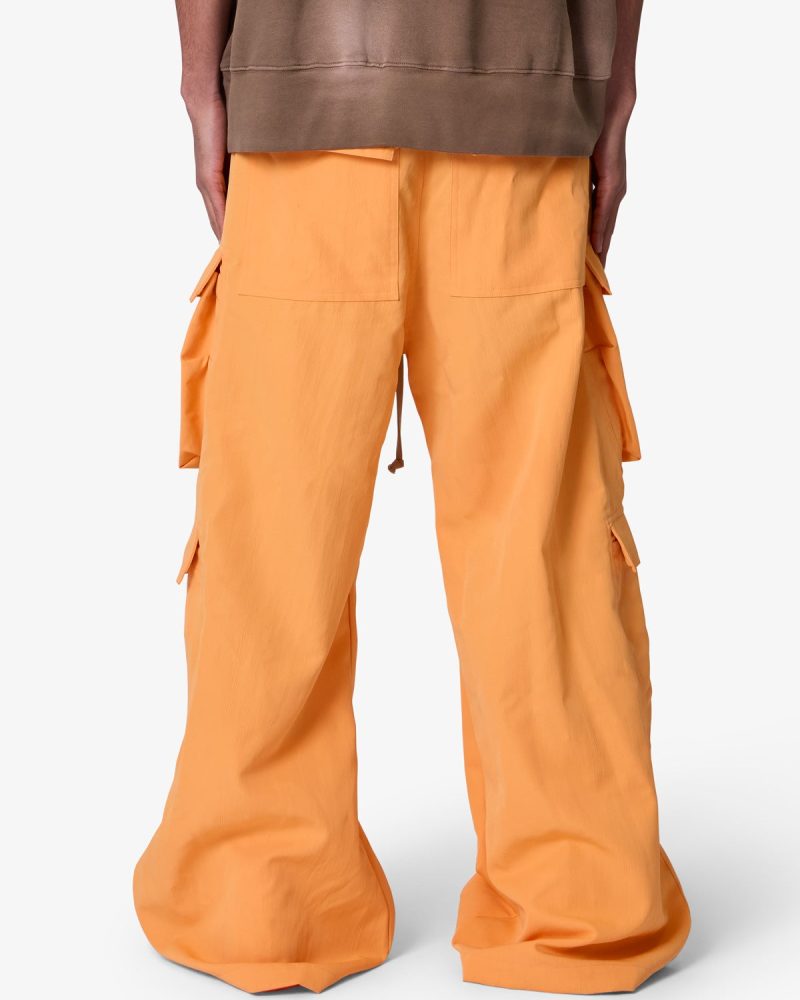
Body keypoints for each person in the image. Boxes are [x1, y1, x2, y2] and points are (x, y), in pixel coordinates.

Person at [134, 1, 691, 993]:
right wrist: (611, 93)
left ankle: (256, 899)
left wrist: (198, 80)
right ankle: (579, 904)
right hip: (519, 109)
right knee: (542, 551)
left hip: (302, 112)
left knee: (271, 549)